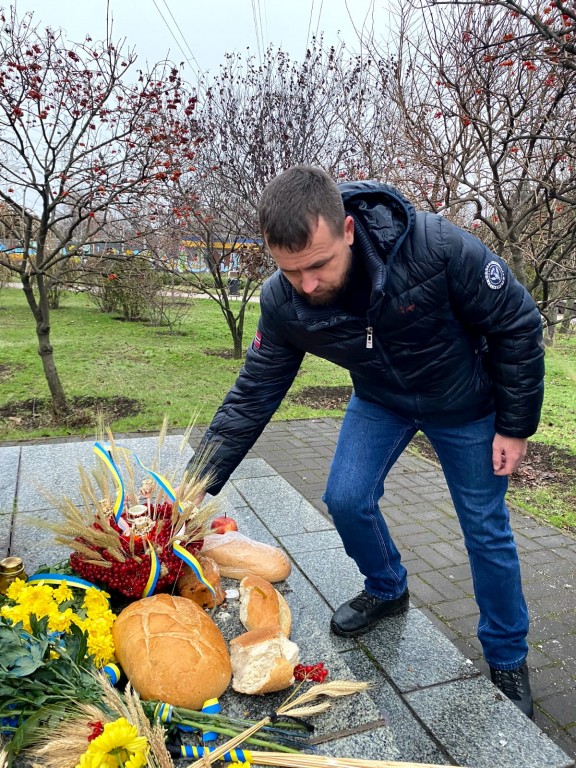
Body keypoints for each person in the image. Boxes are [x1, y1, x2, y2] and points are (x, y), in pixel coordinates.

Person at [187, 166, 544, 719]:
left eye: (319, 265)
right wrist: (195, 483)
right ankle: (386, 587)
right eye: (290, 270)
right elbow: (254, 390)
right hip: (381, 400)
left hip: (465, 405)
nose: (307, 284)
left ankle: (507, 655)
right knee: (346, 497)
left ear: (348, 231)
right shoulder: (283, 301)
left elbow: (517, 323)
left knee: (484, 529)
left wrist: (515, 426)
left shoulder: (438, 248)